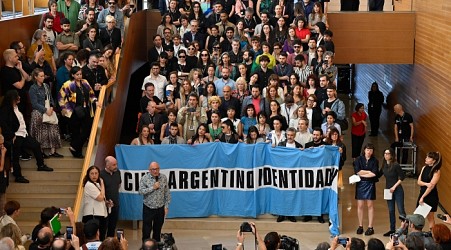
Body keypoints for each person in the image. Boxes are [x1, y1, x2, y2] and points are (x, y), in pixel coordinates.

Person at [0, 90, 54, 184]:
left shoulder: (17, 107)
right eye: (17, 96)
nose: (19, 97)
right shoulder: (5, 110)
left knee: (36, 145)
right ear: (13, 98)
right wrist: (11, 135)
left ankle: (41, 165)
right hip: (15, 136)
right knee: (15, 156)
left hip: (23, 134)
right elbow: (4, 125)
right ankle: (18, 176)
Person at [58, 66, 99, 158]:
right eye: (77, 74)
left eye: (80, 74)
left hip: (86, 109)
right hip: (73, 110)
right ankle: (77, 152)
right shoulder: (67, 84)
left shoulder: (85, 82)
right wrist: (63, 108)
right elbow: (60, 97)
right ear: (72, 75)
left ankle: (74, 147)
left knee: (87, 129)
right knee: (76, 132)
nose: (79, 76)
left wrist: (96, 101)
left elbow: (91, 94)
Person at [139, 162, 171, 242]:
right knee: (146, 231)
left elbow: (167, 193)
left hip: (160, 208)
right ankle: (146, 246)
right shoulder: (145, 178)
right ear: (149, 170)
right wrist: (152, 187)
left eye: (157, 169)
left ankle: (156, 246)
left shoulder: (163, 178)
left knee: (157, 230)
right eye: (153, 169)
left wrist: (166, 206)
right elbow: (141, 192)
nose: (155, 171)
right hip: (148, 208)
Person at [379, 148, 406, 237]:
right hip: (388, 190)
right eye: (385, 153)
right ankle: (392, 229)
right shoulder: (384, 165)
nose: (386, 155)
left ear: (391, 155)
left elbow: (402, 176)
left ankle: (404, 230)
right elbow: (378, 175)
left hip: (397, 190)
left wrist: (394, 187)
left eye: (388, 153)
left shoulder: (395, 165)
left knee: (401, 210)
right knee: (391, 210)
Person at [354, 143, 379, 236]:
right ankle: (360, 226)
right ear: (364, 150)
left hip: (370, 184)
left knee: (370, 206)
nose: (369, 152)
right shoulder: (358, 159)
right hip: (360, 184)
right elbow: (357, 171)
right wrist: (368, 172)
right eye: (367, 150)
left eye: (371, 150)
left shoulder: (375, 160)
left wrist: (364, 174)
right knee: (360, 205)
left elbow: (374, 173)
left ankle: (370, 227)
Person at [82, 166, 107, 241]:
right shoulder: (89, 185)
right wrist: (102, 184)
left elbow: (102, 199)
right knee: (96, 238)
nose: (94, 175)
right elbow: (100, 198)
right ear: (88, 175)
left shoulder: (96, 184)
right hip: (93, 215)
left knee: (102, 236)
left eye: (96, 173)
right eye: (92, 173)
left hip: (100, 214)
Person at [417, 151, 441, 229]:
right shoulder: (424, 168)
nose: (426, 158)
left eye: (428, 157)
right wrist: (426, 184)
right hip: (422, 194)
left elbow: (431, 187)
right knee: (418, 217)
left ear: (433, 160)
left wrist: (422, 197)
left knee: (430, 218)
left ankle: (434, 236)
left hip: (430, 196)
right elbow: (418, 182)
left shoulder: (436, 171)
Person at [100, 156, 121, 238]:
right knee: (103, 226)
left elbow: (119, 184)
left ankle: (110, 243)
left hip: (115, 204)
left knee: (112, 226)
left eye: (116, 164)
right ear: (107, 165)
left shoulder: (117, 172)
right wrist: (106, 201)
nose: (116, 166)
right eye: (114, 165)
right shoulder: (101, 174)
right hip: (104, 206)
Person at [0, 135, 7, 212]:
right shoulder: (2, 152)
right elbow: (0, 168)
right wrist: (3, 154)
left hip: (2, 181)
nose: (2, 146)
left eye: (2, 143)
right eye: (0, 144)